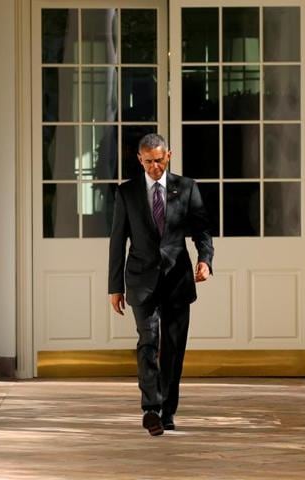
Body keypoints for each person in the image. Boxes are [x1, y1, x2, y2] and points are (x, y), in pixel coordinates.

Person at [108, 133, 214, 436]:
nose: (155, 166)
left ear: (169, 155)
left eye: (159, 159)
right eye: (148, 161)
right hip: (141, 280)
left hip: (177, 280)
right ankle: (151, 409)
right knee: (148, 343)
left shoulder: (187, 187)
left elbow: (202, 230)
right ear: (140, 160)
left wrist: (205, 259)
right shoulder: (126, 193)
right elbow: (118, 242)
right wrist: (114, 286)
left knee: (173, 349)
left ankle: (168, 411)